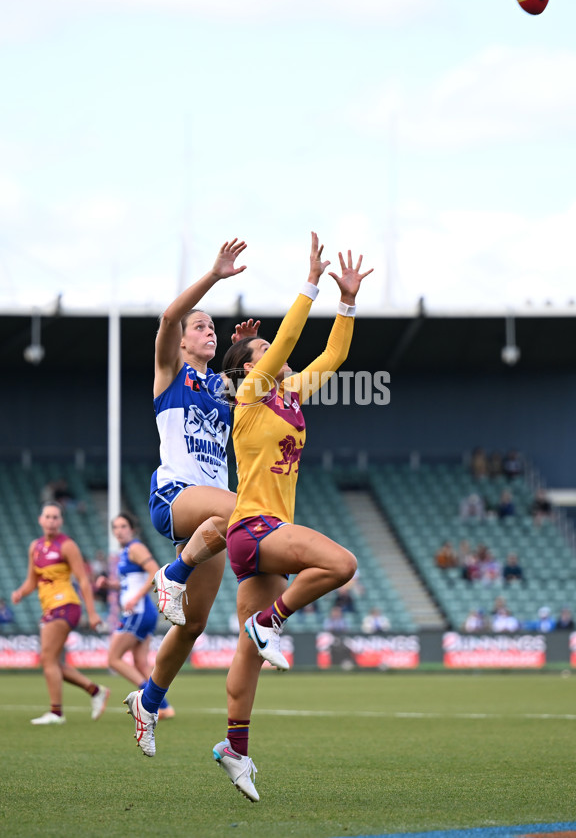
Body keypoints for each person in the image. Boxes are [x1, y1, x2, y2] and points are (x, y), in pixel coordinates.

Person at [211, 233, 372, 802]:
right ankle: (270, 622)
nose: (274, 355)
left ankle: (235, 749)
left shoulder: (288, 394)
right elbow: (285, 342)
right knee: (342, 564)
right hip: (256, 528)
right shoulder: (251, 394)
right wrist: (310, 283)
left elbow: (334, 357)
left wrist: (346, 301)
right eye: (261, 352)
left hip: (260, 539)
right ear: (249, 368)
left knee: (246, 659)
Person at [124, 238, 254, 756]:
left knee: (192, 623)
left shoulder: (220, 387)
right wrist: (215, 276)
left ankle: (148, 701)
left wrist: (241, 352)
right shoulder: (169, 372)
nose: (208, 331)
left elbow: (250, 382)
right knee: (247, 510)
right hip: (176, 497)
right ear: (181, 342)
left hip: (212, 513)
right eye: (200, 326)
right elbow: (168, 317)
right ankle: (172, 574)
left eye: (212, 327)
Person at [10, 501, 109, 725]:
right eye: (47, 516)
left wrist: (92, 613)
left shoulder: (67, 545)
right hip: (49, 607)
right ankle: (95, 691)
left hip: (66, 605)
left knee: (48, 659)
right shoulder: (35, 547)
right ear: (40, 520)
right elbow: (31, 580)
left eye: (55, 517)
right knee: (51, 661)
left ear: (61, 521)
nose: (51, 521)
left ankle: (56, 713)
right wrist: (20, 593)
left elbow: (83, 580)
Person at [96, 513, 174, 720]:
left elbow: (154, 571)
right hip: (141, 612)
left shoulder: (135, 548)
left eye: (123, 526)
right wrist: (110, 585)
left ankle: (149, 701)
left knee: (113, 659)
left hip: (138, 612)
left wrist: (135, 598)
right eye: (116, 527)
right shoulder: (125, 552)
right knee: (140, 663)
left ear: (132, 529)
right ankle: (164, 708)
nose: (119, 531)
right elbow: (130, 583)